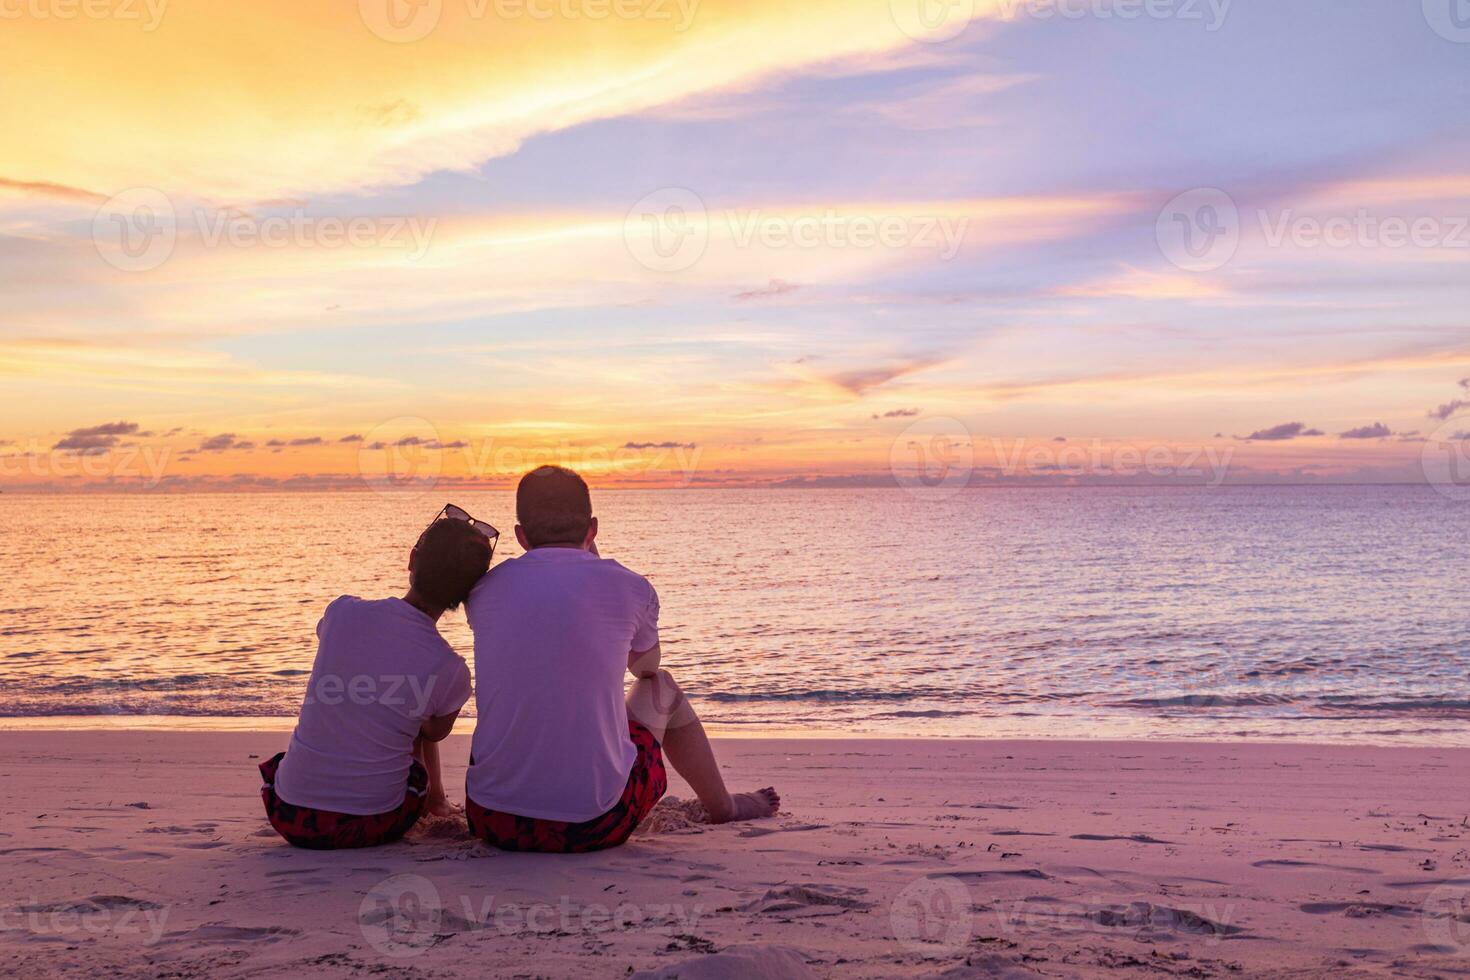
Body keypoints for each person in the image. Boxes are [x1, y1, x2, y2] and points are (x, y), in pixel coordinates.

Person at [464, 465, 779, 853]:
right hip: (595, 825)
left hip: (491, 819)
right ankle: (724, 805)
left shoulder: (484, 589)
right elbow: (645, 670)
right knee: (662, 686)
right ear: (592, 528)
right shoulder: (630, 586)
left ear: (520, 536)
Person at [258, 509, 493, 849]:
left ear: (412, 560)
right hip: (373, 822)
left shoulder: (343, 612)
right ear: (467, 596)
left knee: (382, 702)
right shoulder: (450, 667)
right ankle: (436, 801)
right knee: (412, 713)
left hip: (289, 814)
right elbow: (433, 733)